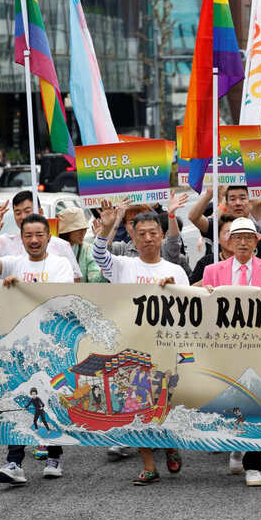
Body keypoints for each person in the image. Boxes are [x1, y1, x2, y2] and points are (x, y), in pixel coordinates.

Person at [92, 201, 189, 486]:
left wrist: (175, 290)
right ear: (132, 237)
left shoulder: (176, 270)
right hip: (129, 349)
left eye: (153, 233)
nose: (147, 238)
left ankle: (170, 445)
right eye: (141, 233)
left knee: (164, 404)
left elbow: (189, 312)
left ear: (161, 235)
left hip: (164, 350)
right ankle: (149, 465)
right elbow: (99, 255)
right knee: (134, 406)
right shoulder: (122, 265)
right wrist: (108, 227)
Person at [0, 206, 74, 485]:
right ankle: (14, 462)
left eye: (39, 234)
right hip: (17, 346)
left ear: (48, 236)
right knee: (15, 399)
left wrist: (22, 286)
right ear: (21, 238)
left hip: (51, 345)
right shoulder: (13, 262)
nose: (34, 240)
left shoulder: (59, 264)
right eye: (28, 235)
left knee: (52, 398)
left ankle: (54, 454)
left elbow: (60, 297)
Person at [202, 217, 261, 488]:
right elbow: (203, 307)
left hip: (259, 343)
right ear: (228, 241)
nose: (242, 242)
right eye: (237, 237)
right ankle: (236, 444)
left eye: (248, 237)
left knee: (256, 397)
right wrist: (207, 294)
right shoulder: (213, 270)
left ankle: (253, 462)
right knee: (229, 394)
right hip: (225, 344)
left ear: (257, 241)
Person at [0, 190, 82, 287]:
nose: (34, 241)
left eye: (27, 211)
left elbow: (74, 282)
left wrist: (24, 286)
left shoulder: (61, 251)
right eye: (18, 212)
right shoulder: (6, 246)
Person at [189, 185, 261, 262]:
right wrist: (208, 195)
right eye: (232, 199)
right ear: (226, 204)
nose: (238, 203)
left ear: (250, 203)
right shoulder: (218, 228)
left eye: (242, 198)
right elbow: (193, 217)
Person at [58, 207, 105, 282]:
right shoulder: (52, 248)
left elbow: (95, 279)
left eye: (84, 228)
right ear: (67, 231)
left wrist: (103, 273)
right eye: (78, 229)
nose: (83, 232)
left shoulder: (87, 250)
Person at [190, 214, 236, 285]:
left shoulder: (251, 263)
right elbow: (189, 291)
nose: (232, 238)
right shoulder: (206, 263)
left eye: (236, 235)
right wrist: (203, 283)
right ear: (217, 238)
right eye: (227, 234)